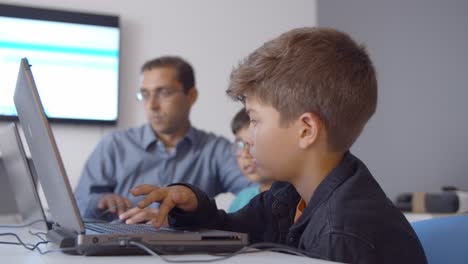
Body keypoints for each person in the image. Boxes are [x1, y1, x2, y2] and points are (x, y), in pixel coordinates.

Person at [129, 28, 428, 263]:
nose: (250, 137)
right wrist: (193, 204)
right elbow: (232, 231)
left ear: (306, 130)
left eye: (255, 120)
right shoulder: (288, 195)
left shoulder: (342, 236)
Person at [74, 56, 250, 223]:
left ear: (191, 96)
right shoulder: (114, 145)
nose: (152, 105)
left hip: (187, 253)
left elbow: (256, 193)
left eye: (163, 92)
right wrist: (100, 201)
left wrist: (178, 221)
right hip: (116, 247)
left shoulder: (215, 150)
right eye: (145, 94)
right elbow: (76, 207)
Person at [228, 108, 272, 213]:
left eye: (252, 143)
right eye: (240, 144)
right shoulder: (242, 198)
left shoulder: (297, 199)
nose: (244, 154)